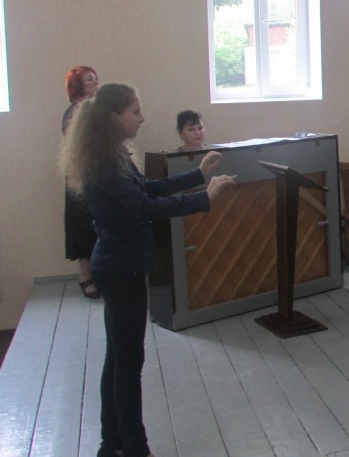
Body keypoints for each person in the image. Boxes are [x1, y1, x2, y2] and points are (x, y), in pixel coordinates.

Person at [60, 83, 235, 457]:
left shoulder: (112, 155)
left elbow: (148, 189)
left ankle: (112, 444)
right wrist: (205, 198)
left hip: (120, 265)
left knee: (119, 358)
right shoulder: (107, 164)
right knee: (128, 362)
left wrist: (197, 174)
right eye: (135, 111)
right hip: (120, 268)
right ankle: (134, 447)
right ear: (114, 117)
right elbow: (145, 208)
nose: (142, 118)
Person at [62, 65, 101, 299]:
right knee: (82, 225)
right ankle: (85, 276)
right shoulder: (73, 112)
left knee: (99, 223)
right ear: (77, 85)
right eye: (89, 79)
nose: (96, 82)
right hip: (81, 176)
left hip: (98, 174)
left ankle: (100, 273)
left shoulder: (97, 110)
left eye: (96, 78)